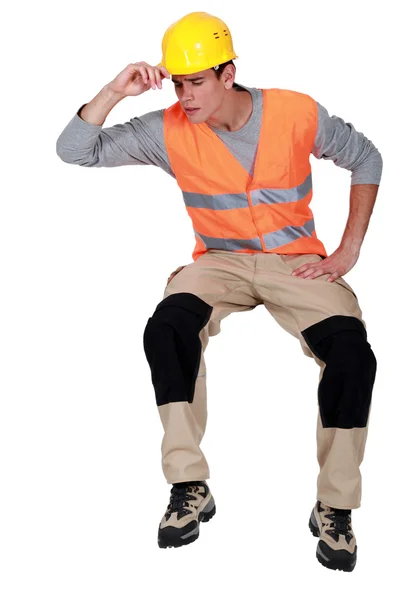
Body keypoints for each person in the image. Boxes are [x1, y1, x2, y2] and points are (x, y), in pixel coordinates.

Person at [56, 11, 382, 571]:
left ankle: (335, 504)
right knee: (167, 328)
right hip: (218, 264)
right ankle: (189, 485)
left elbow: (365, 157)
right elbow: (75, 150)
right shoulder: (164, 129)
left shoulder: (296, 111)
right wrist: (115, 90)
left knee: (352, 354)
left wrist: (348, 250)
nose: (186, 96)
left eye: (198, 81)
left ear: (229, 74)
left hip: (296, 264)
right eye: (178, 83)